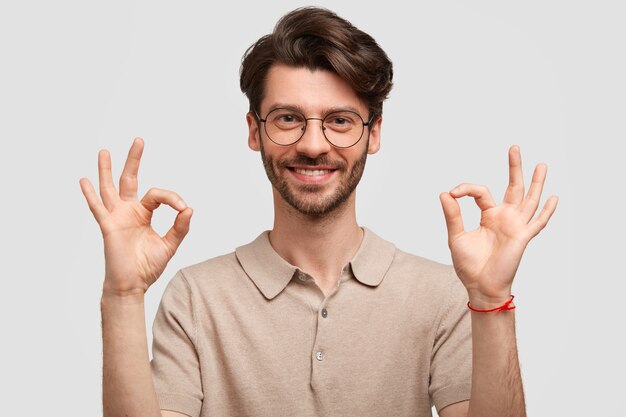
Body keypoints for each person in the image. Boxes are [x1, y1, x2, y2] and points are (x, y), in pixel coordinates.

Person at [79, 6, 558, 417]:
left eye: (340, 121)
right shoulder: (195, 297)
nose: (312, 144)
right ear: (254, 130)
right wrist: (122, 295)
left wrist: (492, 297)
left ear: (373, 133)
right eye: (288, 118)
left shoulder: (442, 295)